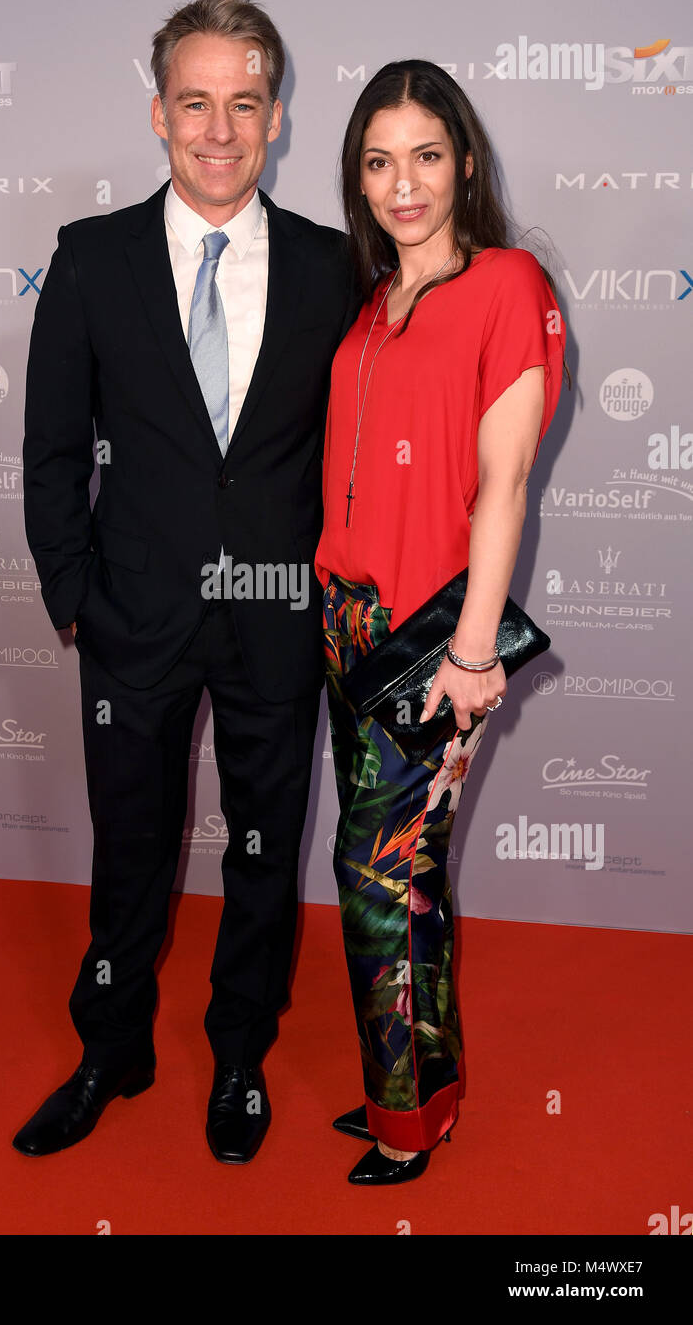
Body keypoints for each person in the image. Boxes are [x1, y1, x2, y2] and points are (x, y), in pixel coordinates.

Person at [16, 0, 354, 1165]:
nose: (220, 129)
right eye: (196, 102)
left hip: (274, 622)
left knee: (264, 847)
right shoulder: (90, 257)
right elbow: (52, 449)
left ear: (274, 118)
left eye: (244, 104)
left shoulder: (331, 268)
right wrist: (74, 597)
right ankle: (112, 1044)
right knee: (131, 848)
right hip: (133, 619)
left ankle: (241, 1053)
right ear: (159, 113)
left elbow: (356, 458)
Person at [314, 60, 567, 1185]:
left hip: (429, 639)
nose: (401, 183)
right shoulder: (373, 302)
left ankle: (406, 1120)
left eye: (424, 155)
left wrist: (471, 654)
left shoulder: (506, 282)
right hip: (345, 624)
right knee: (402, 878)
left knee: (376, 878)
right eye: (377, 161)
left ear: (463, 160)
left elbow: (503, 485)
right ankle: (411, 1085)